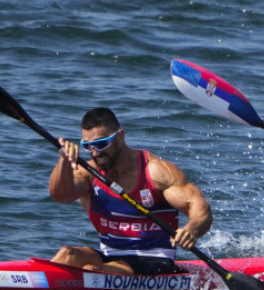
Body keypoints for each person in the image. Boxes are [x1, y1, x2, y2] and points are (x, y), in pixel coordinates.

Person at [48, 107, 212, 274]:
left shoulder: (155, 172)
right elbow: (60, 196)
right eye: (88, 146)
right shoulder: (89, 172)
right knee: (67, 255)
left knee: (92, 270)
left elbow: (199, 205)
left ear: (120, 137)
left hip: (155, 260)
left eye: (101, 144)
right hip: (109, 255)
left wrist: (191, 230)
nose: (95, 153)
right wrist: (64, 162)